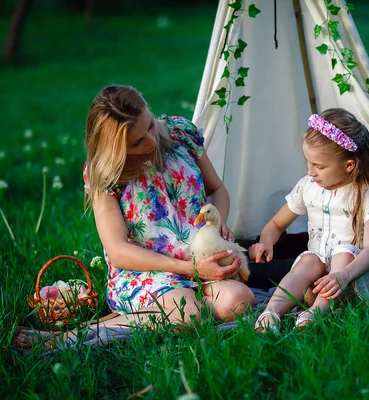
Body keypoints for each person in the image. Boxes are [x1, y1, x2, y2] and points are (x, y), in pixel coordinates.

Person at [15, 85, 255, 350]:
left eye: (150, 126)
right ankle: (72, 336)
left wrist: (217, 225)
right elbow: (117, 251)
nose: (151, 142)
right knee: (189, 315)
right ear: (115, 147)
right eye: (137, 142)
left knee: (239, 302)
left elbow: (217, 190)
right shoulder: (106, 174)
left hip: (201, 256)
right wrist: (190, 270)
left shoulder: (180, 133)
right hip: (148, 270)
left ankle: (171, 312)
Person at [250, 108, 369, 332]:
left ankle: (316, 314)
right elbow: (277, 224)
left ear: (349, 165)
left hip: (355, 282)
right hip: (318, 284)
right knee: (310, 259)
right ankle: (271, 312)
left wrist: (342, 275)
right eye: (308, 163)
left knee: (343, 252)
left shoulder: (366, 194)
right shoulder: (308, 187)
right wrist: (267, 241)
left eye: (319, 166)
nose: (311, 172)